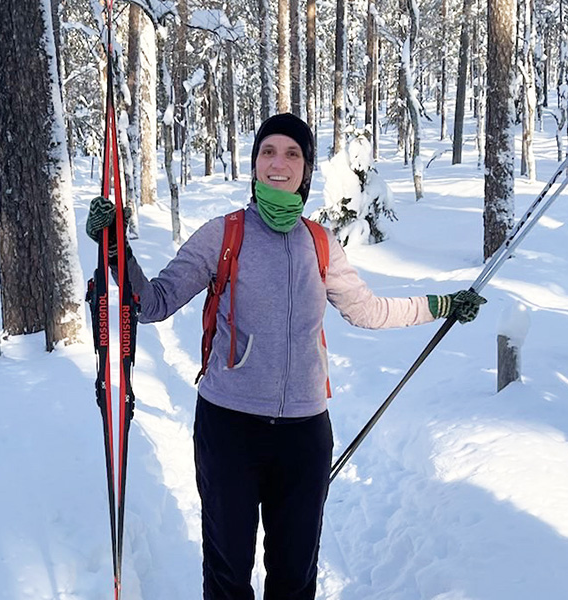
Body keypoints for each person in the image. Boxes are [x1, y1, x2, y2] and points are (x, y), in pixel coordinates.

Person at [86, 112, 485, 600]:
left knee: (295, 580)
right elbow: (154, 303)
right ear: (254, 165)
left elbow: (368, 310)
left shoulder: (319, 243)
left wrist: (440, 305)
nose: (280, 163)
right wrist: (115, 250)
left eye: (292, 153)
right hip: (229, 428)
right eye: (269, 152)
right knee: (228, 576)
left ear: (306, 168)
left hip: (304, 434)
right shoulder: (223, 234)